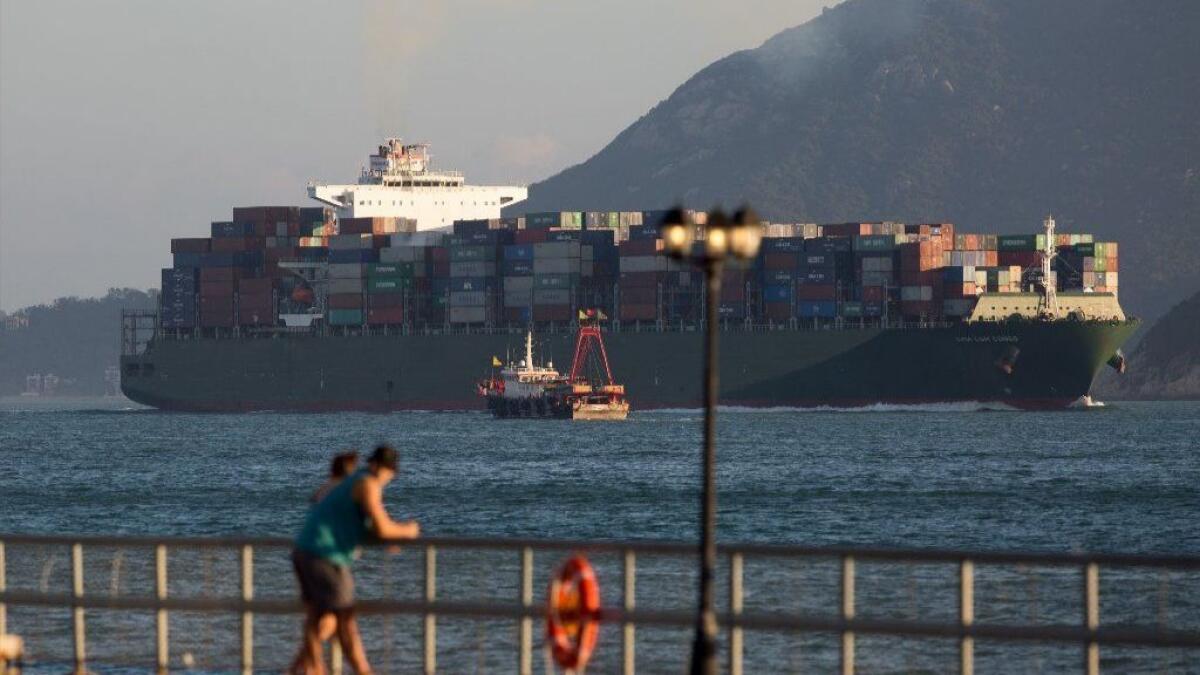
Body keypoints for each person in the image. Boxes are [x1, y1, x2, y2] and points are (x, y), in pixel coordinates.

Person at [290, 445, 420, 675]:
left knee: (321, 617)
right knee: (345, 620)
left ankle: (305, 670)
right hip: (325, 555)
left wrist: (383, 538)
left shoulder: (351, 482)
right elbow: (382, 527)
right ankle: (361, 671)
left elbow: (361, 528)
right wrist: (408, 530)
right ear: (390, 470)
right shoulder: (368, 484)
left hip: (304, 550)